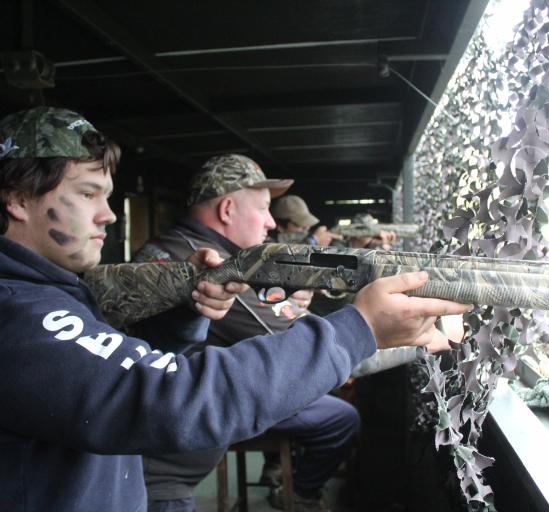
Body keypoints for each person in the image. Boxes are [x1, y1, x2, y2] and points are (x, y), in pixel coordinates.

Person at [0, 107, 472, 512]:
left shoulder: (51, 294)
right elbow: (167, 395)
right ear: (18, 199)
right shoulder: (18, 316)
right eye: (87, 194)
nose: (109, 214)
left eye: (106, 195)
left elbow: (131, 365)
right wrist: (360, 328)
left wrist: (188, 313)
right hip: (162, 474)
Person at [133, 157, 355, 511]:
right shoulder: (213, 266)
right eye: (264, 209)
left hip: (159, 453)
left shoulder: (176, 246)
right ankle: (298, 493)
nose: (270, 221)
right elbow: (299, 344)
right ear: (226, 209)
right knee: (341, 416)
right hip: (159, 473)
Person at [270, 194, 341, 246]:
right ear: (280, 226)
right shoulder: (266, 241)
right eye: (299, 224)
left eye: (307, 224)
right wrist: (313, 240)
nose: (307, 228)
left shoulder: (304, 237)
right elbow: (282, 257)